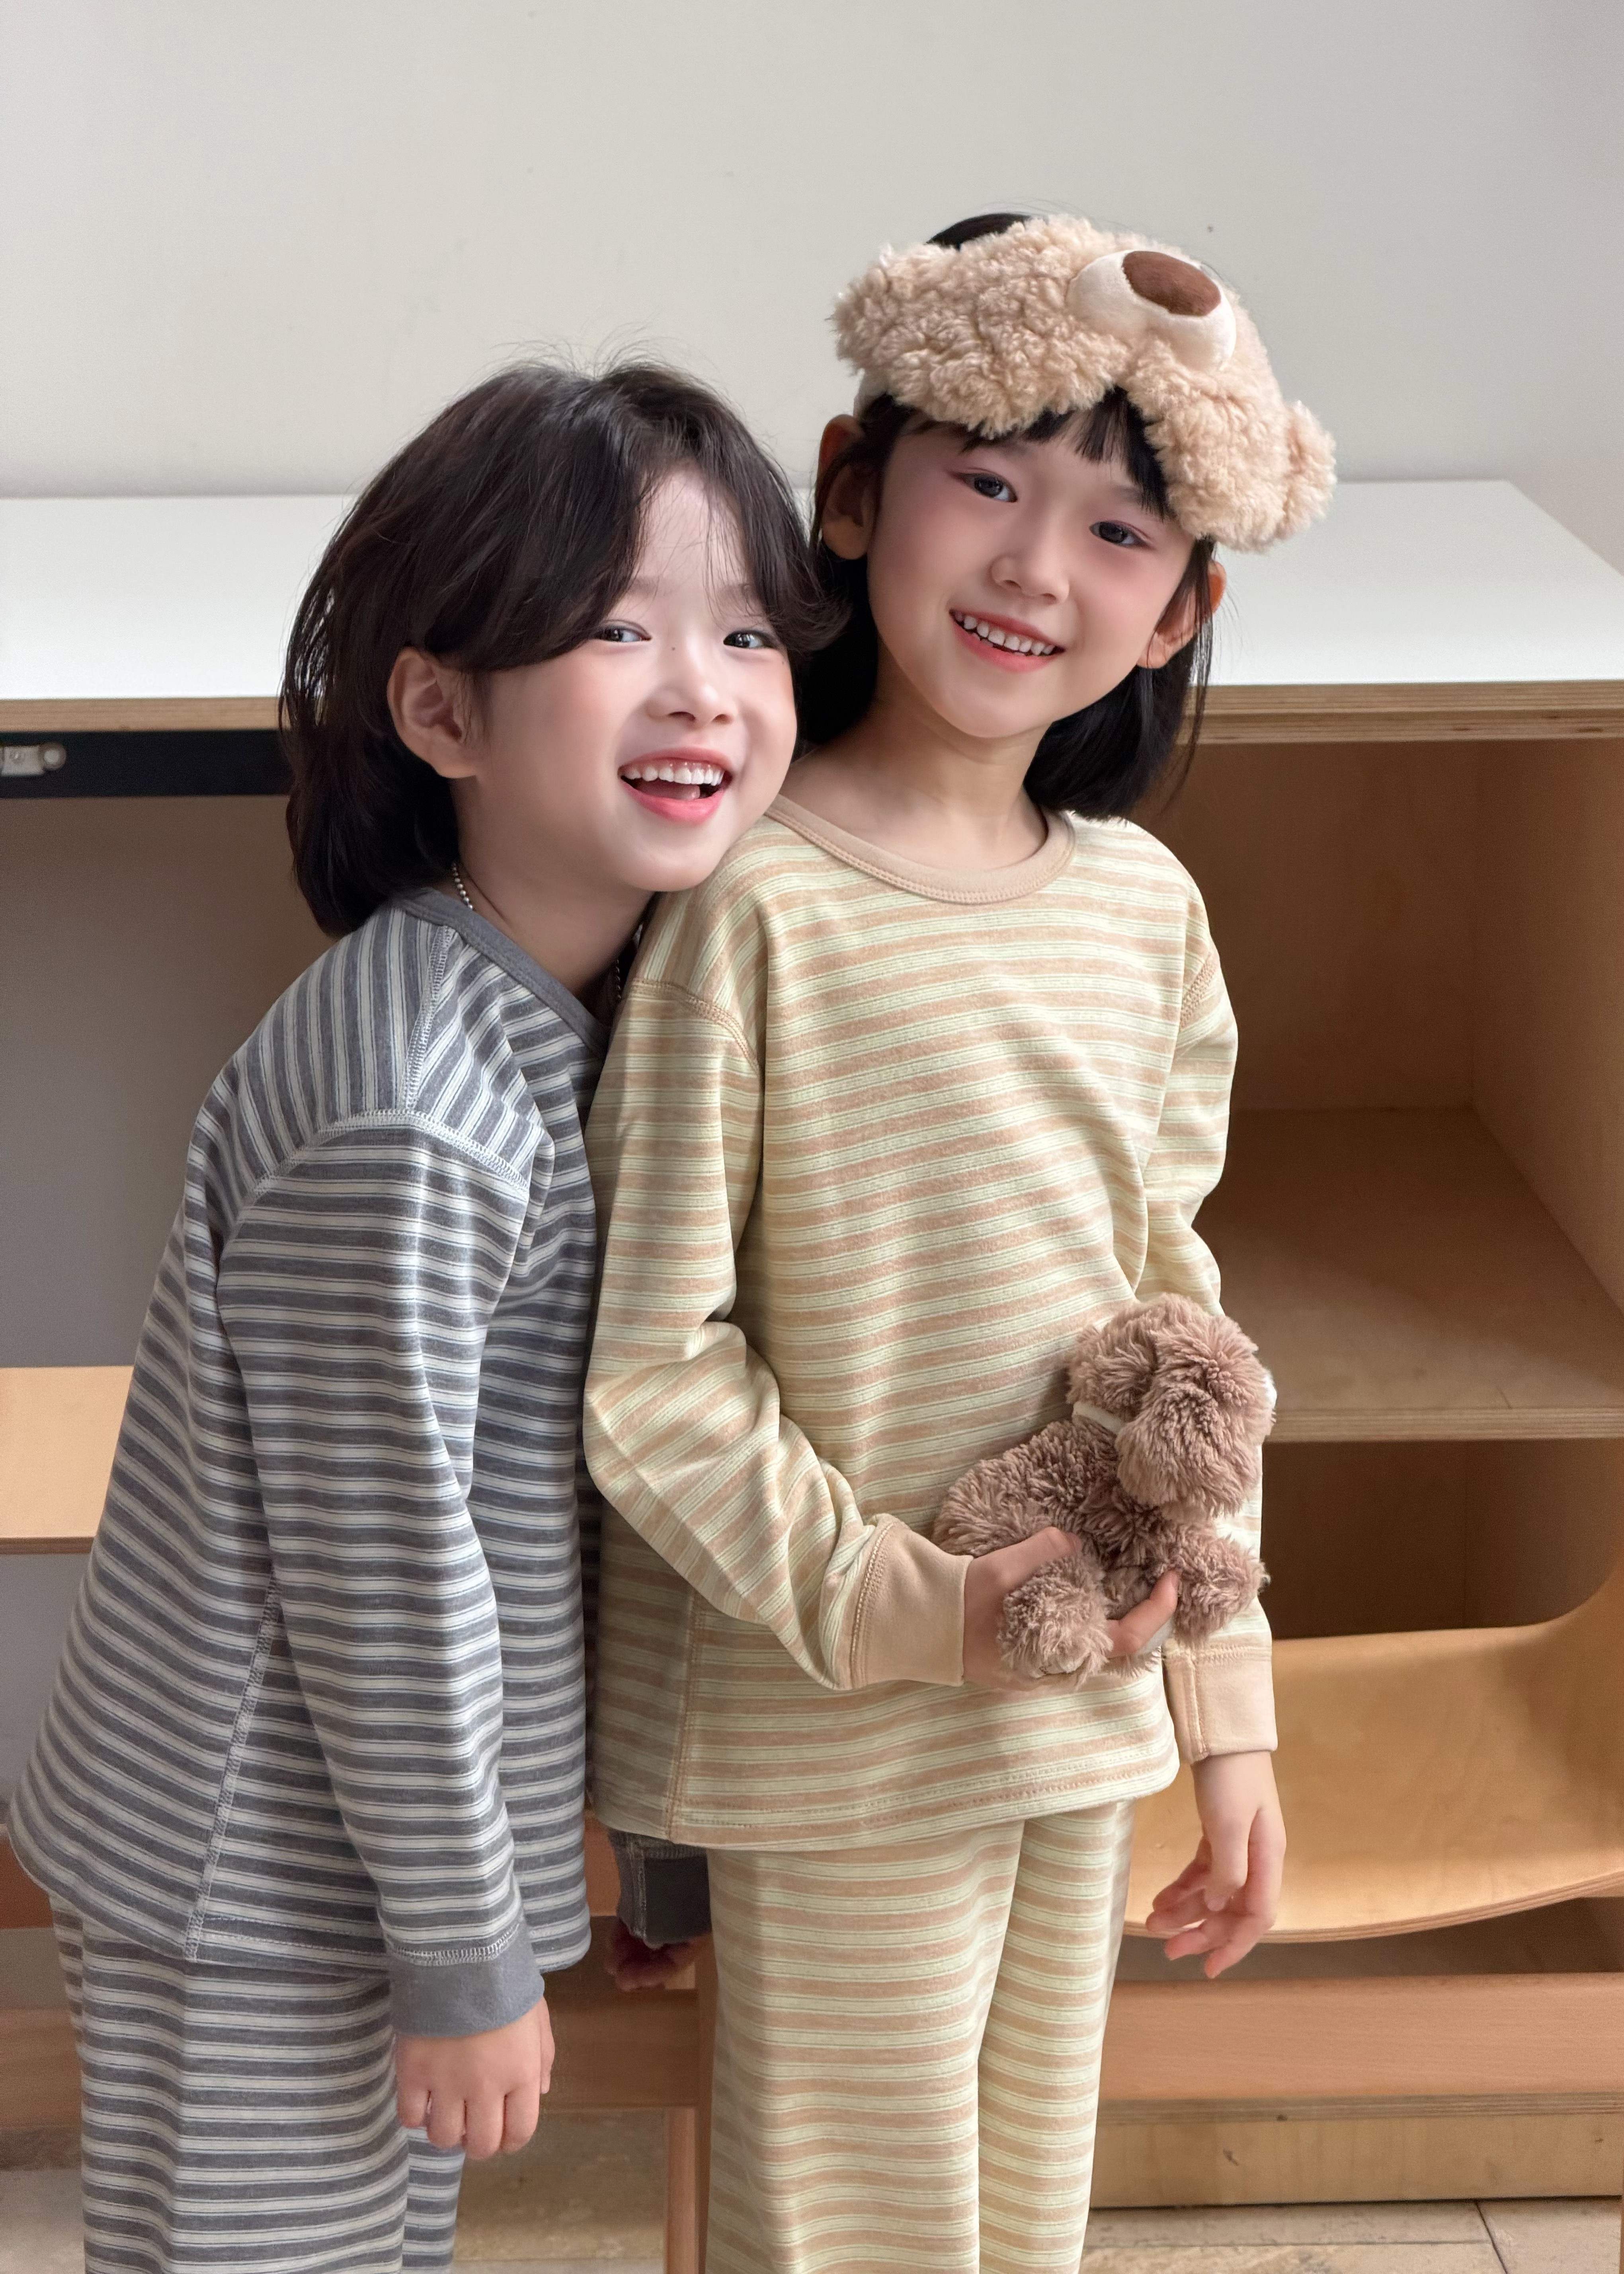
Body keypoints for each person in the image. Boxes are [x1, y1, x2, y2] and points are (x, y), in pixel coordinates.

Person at [6, 358, 832, 2274]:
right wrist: (469, 1953)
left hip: (348, 1864)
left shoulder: (571, 1024)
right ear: (442, 710)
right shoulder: (415, 1111)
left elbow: (567, 1505)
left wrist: (602, 1855)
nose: (702, 689)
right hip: (258, 1885)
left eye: (744, 632)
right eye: (618, 629)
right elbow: (390, 1570)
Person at [582, 213, 1333, 2272]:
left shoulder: (1143, 915)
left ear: (1179, 611)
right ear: (853, 489)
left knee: (1019, 2227)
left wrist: (1227, 1710)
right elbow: (650, 1370)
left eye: (1117, 529)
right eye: (988, 482)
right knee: (858, 2231)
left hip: (1077, 1714)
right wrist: (912, 1607)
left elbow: (1182, 1354)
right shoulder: (748, 903)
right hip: (836, 1726)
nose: (1033, 566)